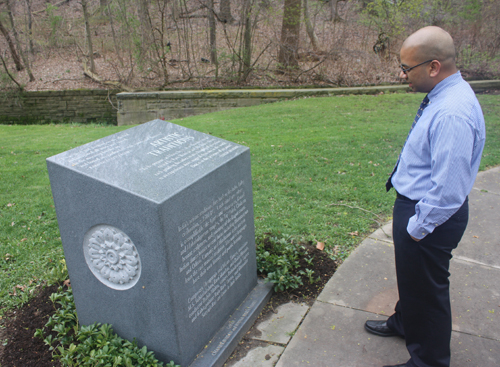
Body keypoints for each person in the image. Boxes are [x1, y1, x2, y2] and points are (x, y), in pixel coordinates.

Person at [364, 26, 486, 367]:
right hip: (417, 207)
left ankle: (428, 361)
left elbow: (447, 191)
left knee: (428, 292)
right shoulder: (446, 96)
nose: (402, 75)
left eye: (407, 68)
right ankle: (405, 321)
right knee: (413, 281)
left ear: (433, 66)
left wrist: (417, 228)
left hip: (429, 215)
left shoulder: (452, 113)